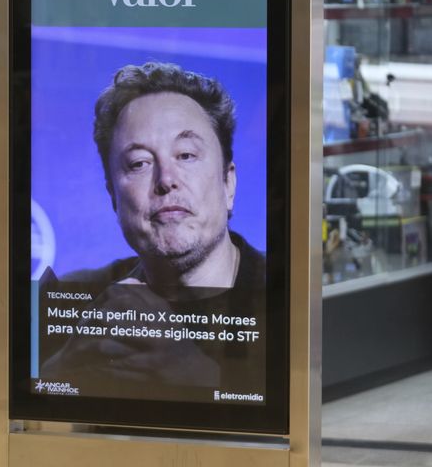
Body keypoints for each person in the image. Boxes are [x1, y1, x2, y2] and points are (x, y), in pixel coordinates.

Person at [38, 62, 265, 398]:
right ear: (113, 195)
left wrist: (192, 372)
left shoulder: (289, 298)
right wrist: (65, 365)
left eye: (186, 155)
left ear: (228, 182)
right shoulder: (75, 295)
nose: (166, 180)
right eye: (139, 163)